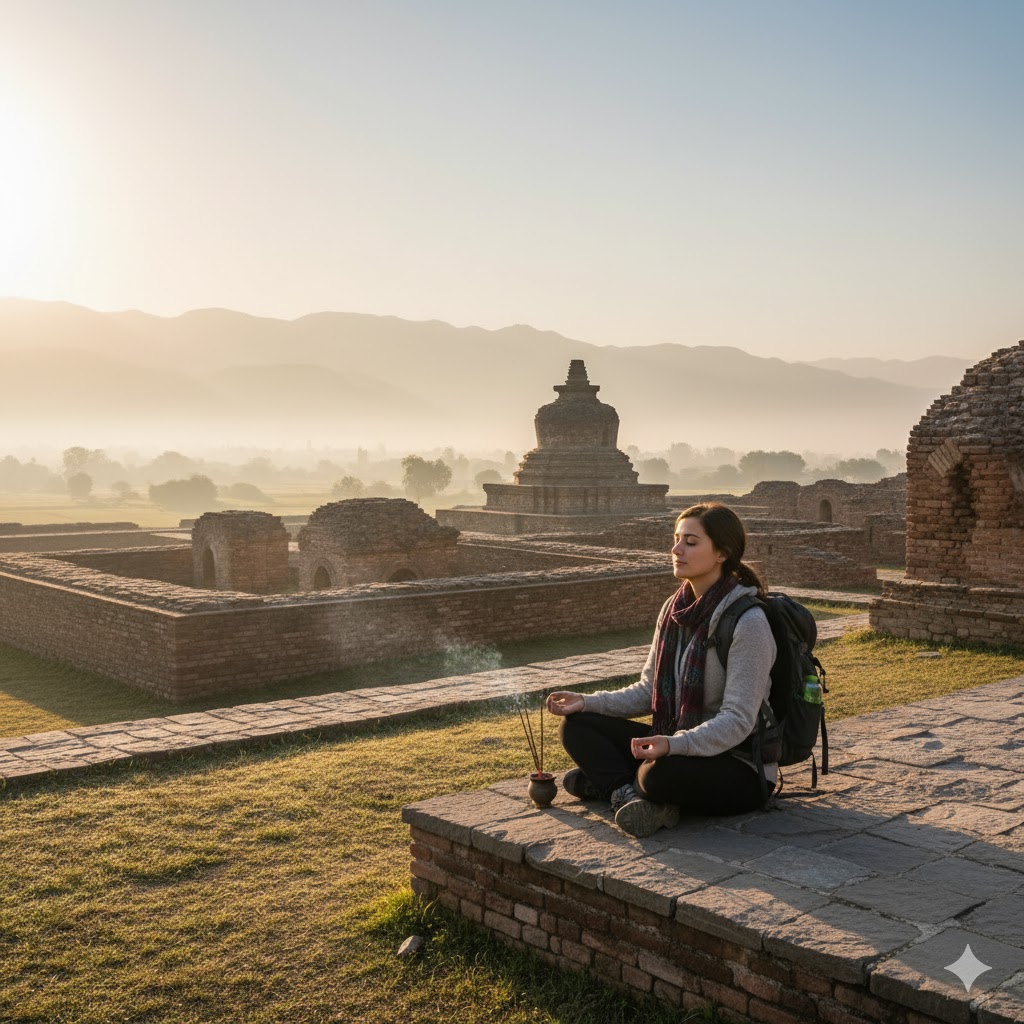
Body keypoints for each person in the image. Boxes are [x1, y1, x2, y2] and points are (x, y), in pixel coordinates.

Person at [545, 502, 777, 838]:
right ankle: (626, 794)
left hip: (739, 766)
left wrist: (672, 745)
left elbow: (738, 721)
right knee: (577, 726)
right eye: (677, 538)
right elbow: (648, 690)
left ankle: (625, 785)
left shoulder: (748, 623)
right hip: (677, 745)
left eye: (691, 542)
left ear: (722, 553)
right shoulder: (675, 609)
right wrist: (586, 701)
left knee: (657, 775)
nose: (676, 549)